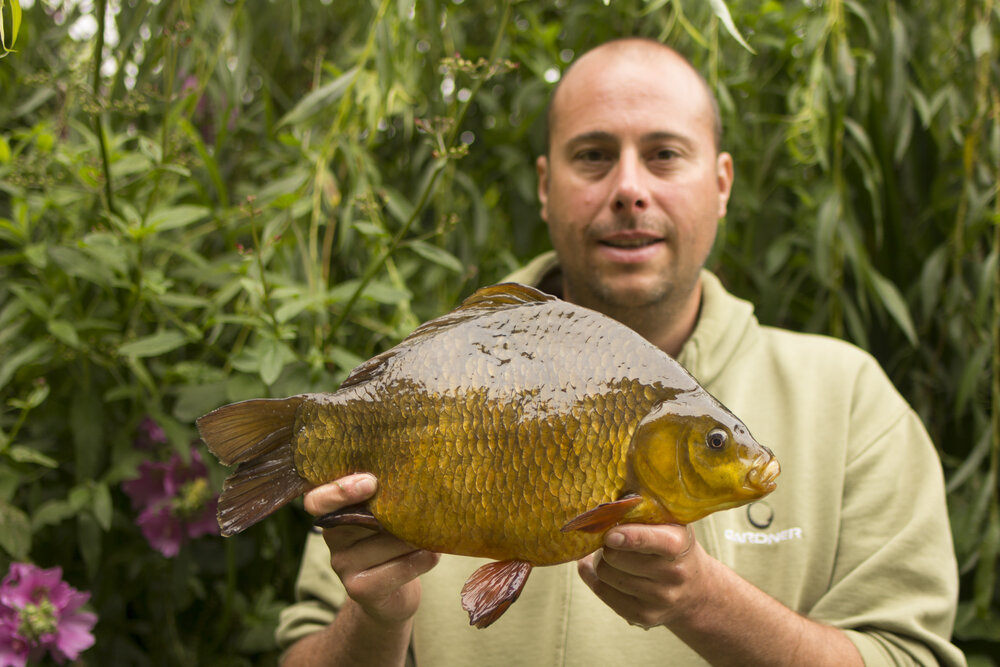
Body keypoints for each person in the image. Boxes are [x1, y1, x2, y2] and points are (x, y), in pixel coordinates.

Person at [275, 38, 965, 666]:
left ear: (721, 182)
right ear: (546, 185)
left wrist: (705, 603)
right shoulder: (430, 382)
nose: (630, 188)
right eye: (594, 155)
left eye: (664, 154)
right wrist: (376, 618)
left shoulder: (849, 400)